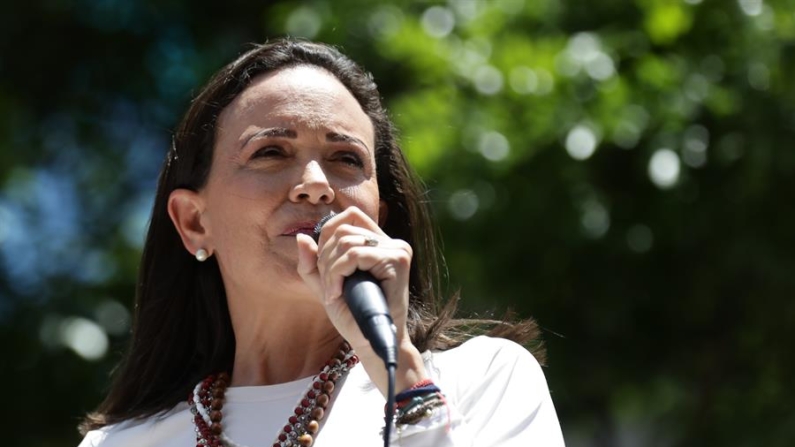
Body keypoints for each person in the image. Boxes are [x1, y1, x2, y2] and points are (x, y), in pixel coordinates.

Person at [78, 38, 565, 447]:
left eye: (346, 159)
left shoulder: (484, 380)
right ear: (193, 223)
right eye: (270, 152)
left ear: (378, 219)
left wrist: (403, 375)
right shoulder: (117, 443)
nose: (316, 184)